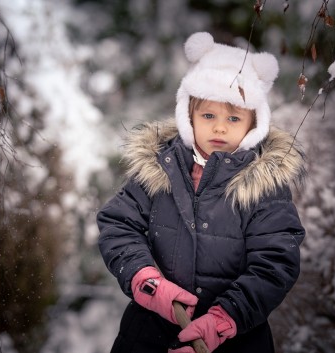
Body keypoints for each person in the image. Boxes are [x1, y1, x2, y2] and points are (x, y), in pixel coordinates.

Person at [97, 32, 306, 353]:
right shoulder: (159, 168)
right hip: (149, 334)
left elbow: (276, 261)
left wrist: (225, 318)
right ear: (188, 116)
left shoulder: (265, 186)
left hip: (237, 340)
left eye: (233, 118)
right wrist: (147, 281)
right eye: (208, 115)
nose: (220, 127)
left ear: (253, 125)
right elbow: (118, 225)